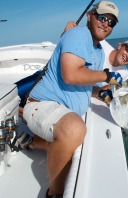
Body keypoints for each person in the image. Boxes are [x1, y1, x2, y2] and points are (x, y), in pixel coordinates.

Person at [22, 1, 121, 197]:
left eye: (111, 22)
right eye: (102, 17)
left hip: (61, 111)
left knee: (73, 139)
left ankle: (31, 142)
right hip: (42, 105)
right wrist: (106, 76)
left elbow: (82, 82)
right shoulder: (78, 34)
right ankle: (54, 193)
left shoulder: (99, 50)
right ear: (90, 16)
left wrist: (100, 92)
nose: (106, 24)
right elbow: (71, 75)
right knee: (75, 129)